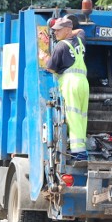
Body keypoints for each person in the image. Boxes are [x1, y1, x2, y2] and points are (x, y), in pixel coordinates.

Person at [44, 16, 89, 161]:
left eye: (58, 30)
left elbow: (50, 69)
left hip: (70, 84)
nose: (55, 33)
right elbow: (81, 30)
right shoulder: (80, 41)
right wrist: (70, 32)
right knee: (82, 116)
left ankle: (78, 153)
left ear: (67, 29)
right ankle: (82, 149)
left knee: (73, 116)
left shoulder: (61, 46)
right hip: (83, 83)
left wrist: (44, 58)